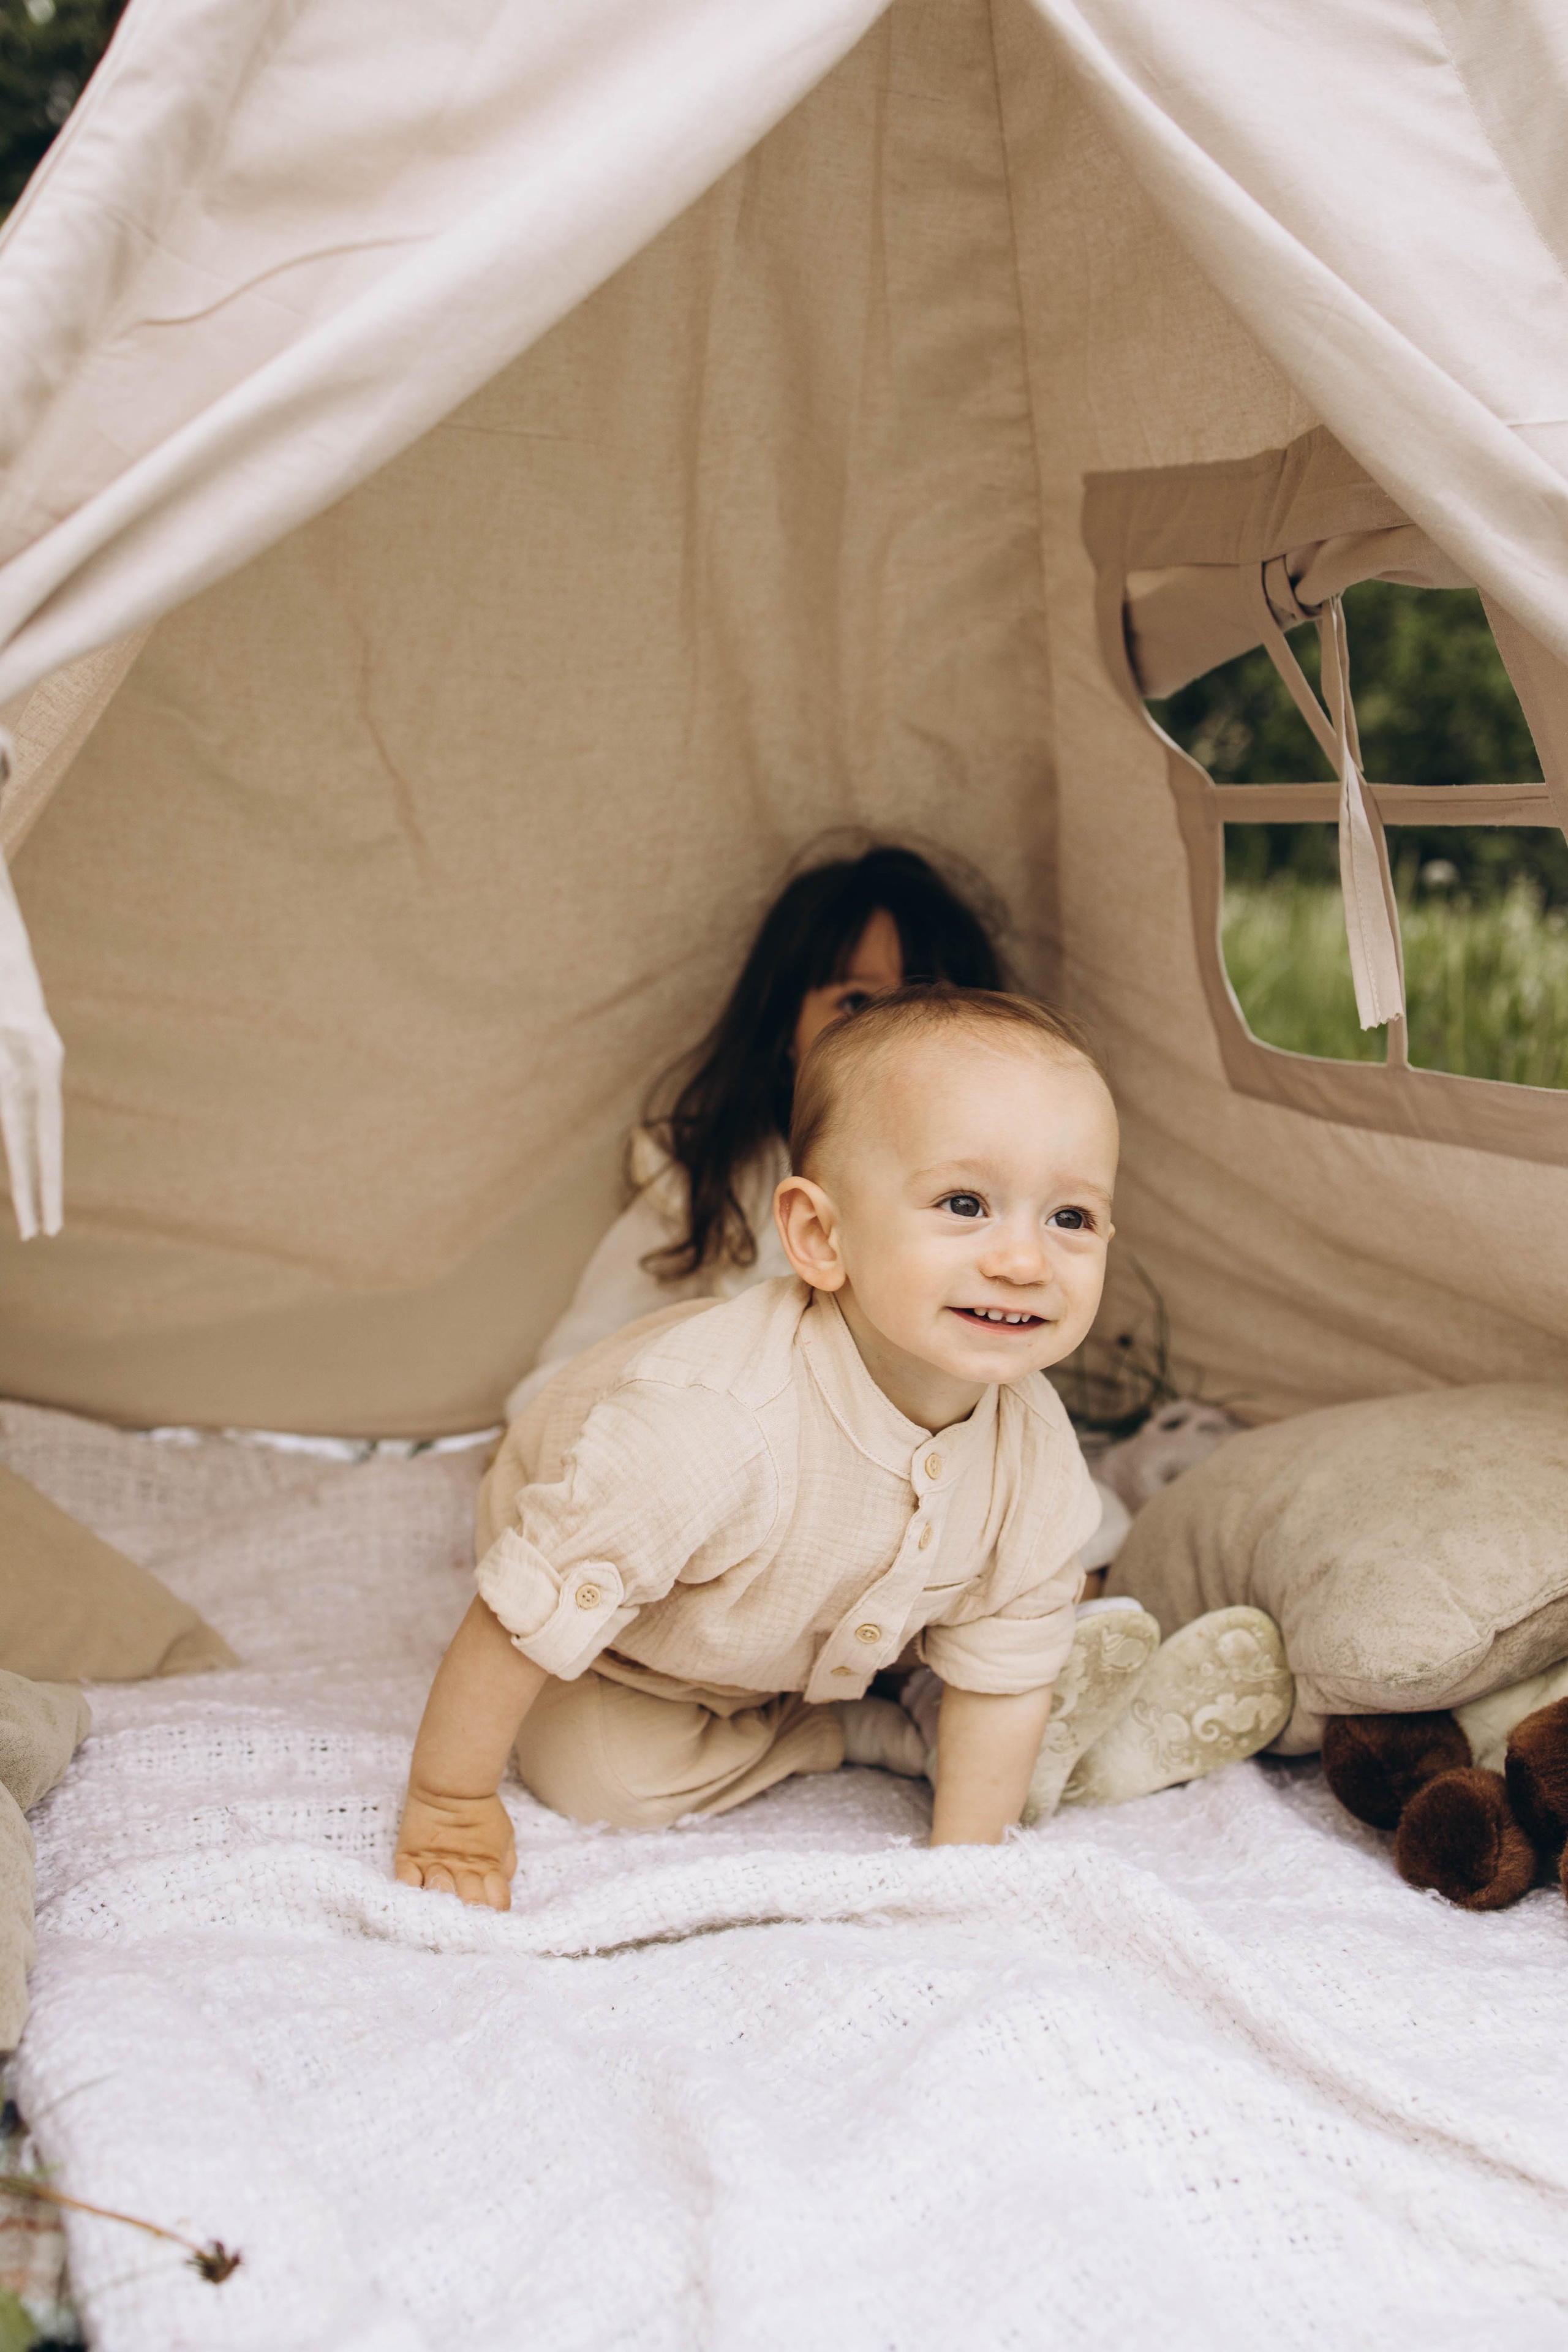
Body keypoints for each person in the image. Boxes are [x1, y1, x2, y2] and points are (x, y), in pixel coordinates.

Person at [396, 989, 1291, 1907]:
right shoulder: (708, 1428)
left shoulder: (1034, 1450)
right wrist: (449, 1806)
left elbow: (1000, 1671)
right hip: (639, 1643)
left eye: (1070, 1218)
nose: (1025, 1262)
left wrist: (961, 1877)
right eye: (965, 1203)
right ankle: (883, 1730)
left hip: (829, 1613)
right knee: (601, 1777)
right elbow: (520, 1612)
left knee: (1008, 1654)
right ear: (821, 1237)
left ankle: (968, 1703)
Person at [503, 842, 1019, 1422]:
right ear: (784, 1032)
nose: (890, 1039)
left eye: (930, 1008)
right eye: (855, 1003)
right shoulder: (710, 1182)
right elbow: (567, 1380)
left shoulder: (1003, 1195)